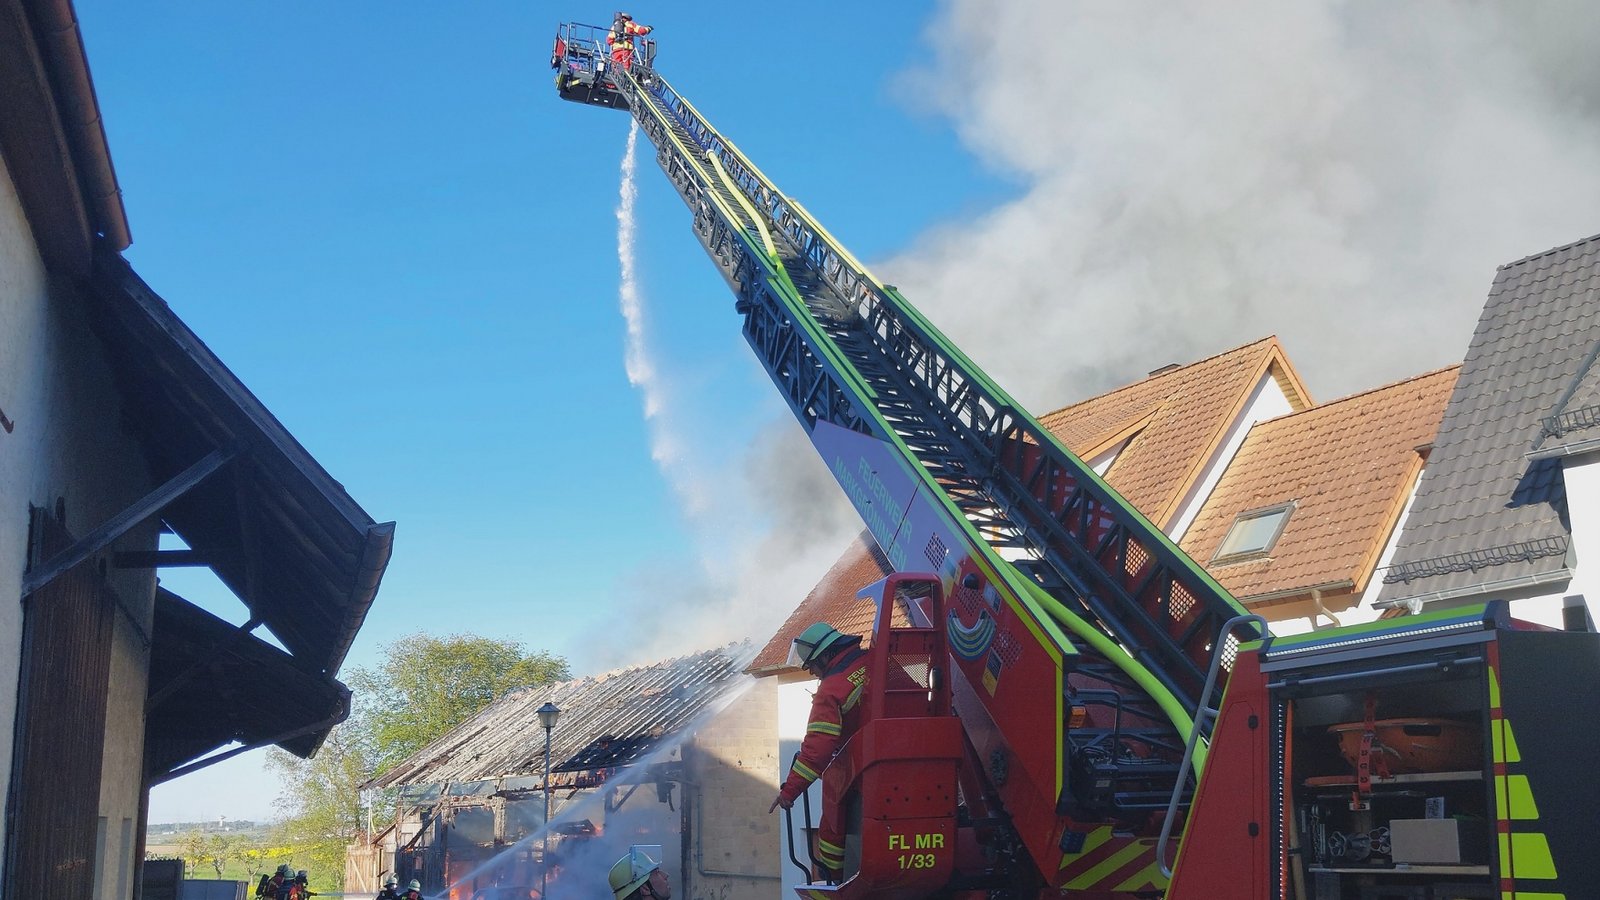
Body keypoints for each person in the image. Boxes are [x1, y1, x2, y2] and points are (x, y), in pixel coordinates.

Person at [767, 622, 869, 882]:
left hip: (864, 772)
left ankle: (837, 880)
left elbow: (816, 751)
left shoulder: (831, 689)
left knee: (832, 827)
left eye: (812, 664)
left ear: (826, 655)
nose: (812, 672)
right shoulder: (878, 660)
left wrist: (789, 792)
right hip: (912, 757)